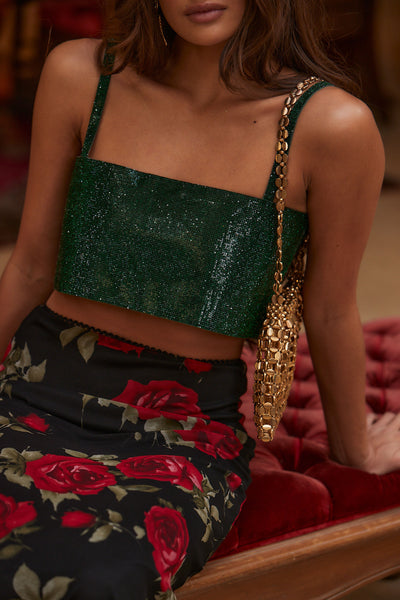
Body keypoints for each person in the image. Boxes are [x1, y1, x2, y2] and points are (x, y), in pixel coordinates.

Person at [0, 0, 400, 598]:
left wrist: (355, 454)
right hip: (34, 388)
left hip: (180, 433)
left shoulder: (330, 126)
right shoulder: (81, 75)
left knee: (101, 579)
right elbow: (31, 264)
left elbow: (329, 309)